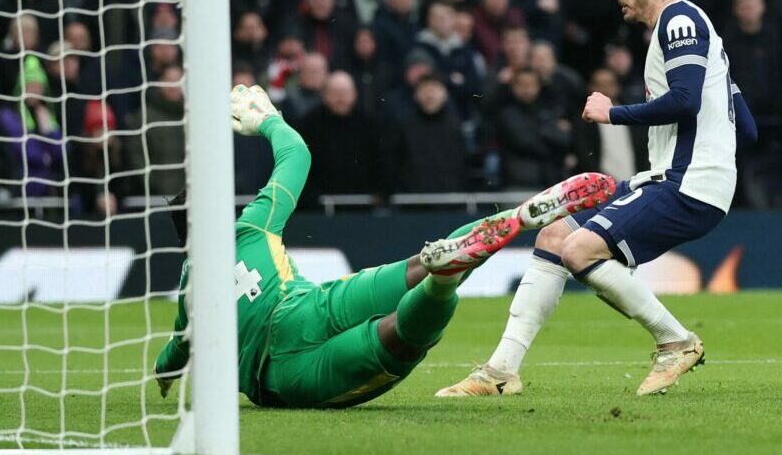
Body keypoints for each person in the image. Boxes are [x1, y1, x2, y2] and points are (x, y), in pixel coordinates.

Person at [154, 83, 615, 409]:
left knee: (395, 339)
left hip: (283, 374)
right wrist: (269, 121)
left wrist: (163, 374)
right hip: (306, 307)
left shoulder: (190, 290)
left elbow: (177, 350)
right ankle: (510, 222)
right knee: (414, 267)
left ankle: (441, 285)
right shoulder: (250, 227)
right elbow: (298, 155)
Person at [438, 0, 758, 398]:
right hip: (677, 178)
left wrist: (614, 113)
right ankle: (501, 370)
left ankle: (675, 341)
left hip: (686, 182)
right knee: (554, 237)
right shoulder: (695, 32)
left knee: (580, 251)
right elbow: (746, 127)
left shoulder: (679, 19)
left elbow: (686, 101)